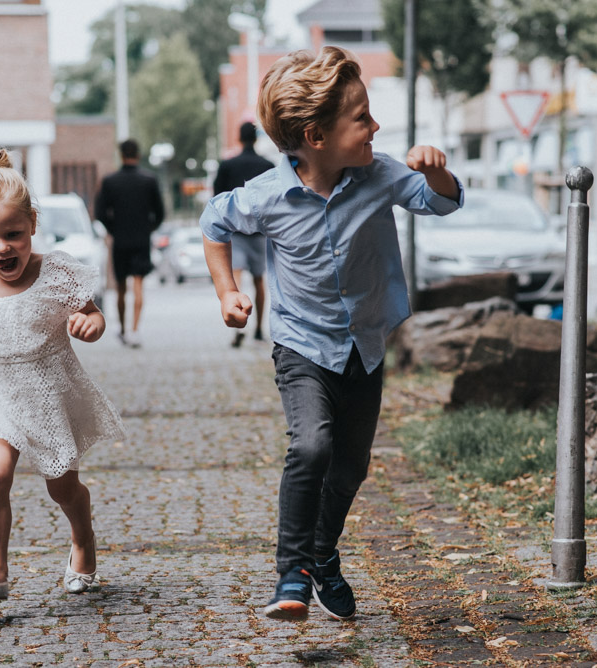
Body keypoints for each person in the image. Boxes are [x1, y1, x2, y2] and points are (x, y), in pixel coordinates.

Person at [199, 47, 462, 622]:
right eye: (362, 118)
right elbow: (213, 223)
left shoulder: (382, 173)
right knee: (312, 445)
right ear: (316, 136)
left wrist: (434, 167)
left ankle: (323, 552)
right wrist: (227, 291)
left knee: (350, 468)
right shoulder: (267, 195)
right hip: (301, 346)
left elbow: (440, 201)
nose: (375, 127)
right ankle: (291, 572)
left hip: (365, 345)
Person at [0, 147, 124, 600]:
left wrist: (89, 325)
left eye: (13, 234)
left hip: (50, 388)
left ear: (33, 222)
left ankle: (82, 539)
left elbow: (91, 316)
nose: (2, 248)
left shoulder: (56, 272)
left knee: (63, 488)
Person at [94, 139, 165, 348]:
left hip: (120, 240)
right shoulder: (149, 180)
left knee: (121, 288)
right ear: (138, 154)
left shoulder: (110, 181)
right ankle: (135, 330)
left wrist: (113, 229)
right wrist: (149, 228)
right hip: (141, 239)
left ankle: (123, 329)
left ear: (121, 154)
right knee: (139, 285)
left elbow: (100, 213)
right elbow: (160, 212)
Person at [213, 122, 275, 347]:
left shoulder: (228, 165)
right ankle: (259, 328)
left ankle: (238, 324)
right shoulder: (267, 165)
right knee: (259, 279)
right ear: (256, 139)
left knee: (235, 279)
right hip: (259, 233)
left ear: (239, 138)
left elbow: (217, 198)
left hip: (236, 231)